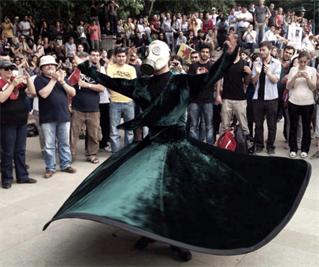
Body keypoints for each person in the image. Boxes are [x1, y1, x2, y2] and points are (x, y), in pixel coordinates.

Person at [44, 37, 311, 264]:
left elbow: (211, 76)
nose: (154, 55)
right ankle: (149, 231)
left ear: (168, 55)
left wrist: (228, 56)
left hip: (177, 148)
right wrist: (82, 67)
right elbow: (111, 82)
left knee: (177, 197)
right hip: (152, 147)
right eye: (152, 51)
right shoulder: (142, 84)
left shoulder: (183, 82)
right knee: (148, 194)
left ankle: (177, 241)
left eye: (159, 51)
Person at [34, 55, 76, 178]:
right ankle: (50, 167)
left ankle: (65, 164)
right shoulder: (39, 80)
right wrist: (53, 80)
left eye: (52, 65)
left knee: (64, 143)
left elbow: (72, 92)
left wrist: (62, 81)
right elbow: (44, 94)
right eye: (47, 65)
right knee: (49, 145)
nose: (50, 67)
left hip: (63, 115)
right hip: (47, 117)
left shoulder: (62, 78)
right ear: (42, 68)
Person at [0, 59, 37, 189]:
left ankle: (22, 176)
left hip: (21, 120)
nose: (10, 71)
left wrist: (28, 79)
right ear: (0, 71)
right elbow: (1, 98)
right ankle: (6, 179)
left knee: (20, 150)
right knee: (7, 152)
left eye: (11, 68)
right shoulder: (3, 82)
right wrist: (12, 84)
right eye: (6, 69)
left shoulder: (18, 82)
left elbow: (32, 92)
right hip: (6, 122)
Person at [69, 51, 105, 164]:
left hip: (94, 109)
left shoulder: (98, 72)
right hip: (77, 109)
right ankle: (71, 156)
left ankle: (92, 155)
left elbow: (101, 88)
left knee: (94, 135)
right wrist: (68, 104)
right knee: (72, 135)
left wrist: (87, 85)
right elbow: (67, 88)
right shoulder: (76, 73)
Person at [216, 39, 251, 137]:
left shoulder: (244, 63)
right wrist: (218, 95)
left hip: (240, 99)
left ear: (239, 48)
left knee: (244, 126)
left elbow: (246, 83)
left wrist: (249, 73)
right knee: (224, 126)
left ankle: (246, 146)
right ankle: (223, 147)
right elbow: (219, 78)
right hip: (226, 98)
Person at [251, 41, 281, 155]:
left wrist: (267, 72)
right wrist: (258, 73)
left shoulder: (276, 63)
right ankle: (259, 145)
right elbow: (253, 82)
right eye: (260, 50)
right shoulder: (257, 63)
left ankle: (271, 147)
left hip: (271, 99)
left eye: (263, 50)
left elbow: (276, 80)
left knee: (271, 125)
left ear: (269, 50)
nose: (261, 52)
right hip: (258, 99)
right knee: (258, 125)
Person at [286, 51, 317, 158]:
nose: (302, 64)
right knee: (293, 126)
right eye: (300, 62)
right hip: (294, 101)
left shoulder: (312, 70)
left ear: (308, 61)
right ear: (297, 60)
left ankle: (305, 149)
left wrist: (308, 78)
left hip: (307, 102)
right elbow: (288, 86)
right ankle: (293, 148)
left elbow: (313, 87)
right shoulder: (293, 69)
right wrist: (295, 77)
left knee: (306, 127)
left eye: (305, 62)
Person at [107, 47, 136, 153]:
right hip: (115, 102)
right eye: (119, 56)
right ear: (115, 57)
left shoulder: (131, 69)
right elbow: (110, 84)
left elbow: (133, 85)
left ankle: (127, 153)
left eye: (123, 56)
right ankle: (115, 154)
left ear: (126, 57)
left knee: (130, 130)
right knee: (114, 131)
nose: (121, 58)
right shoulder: (110, 68)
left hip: (129, 102)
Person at [188, 43, 214, 144]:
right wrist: (197, 76)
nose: (204, 54)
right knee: (193, 125)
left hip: (208, 99)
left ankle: (209, 147)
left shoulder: (212, 66)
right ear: (200, 52)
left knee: (209, 125)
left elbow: (214, 82)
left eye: (207, 52)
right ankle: (194, 146)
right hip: (195, 99)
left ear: (209, 54)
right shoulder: (193, 66)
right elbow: (190, 82)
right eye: (203, 51)